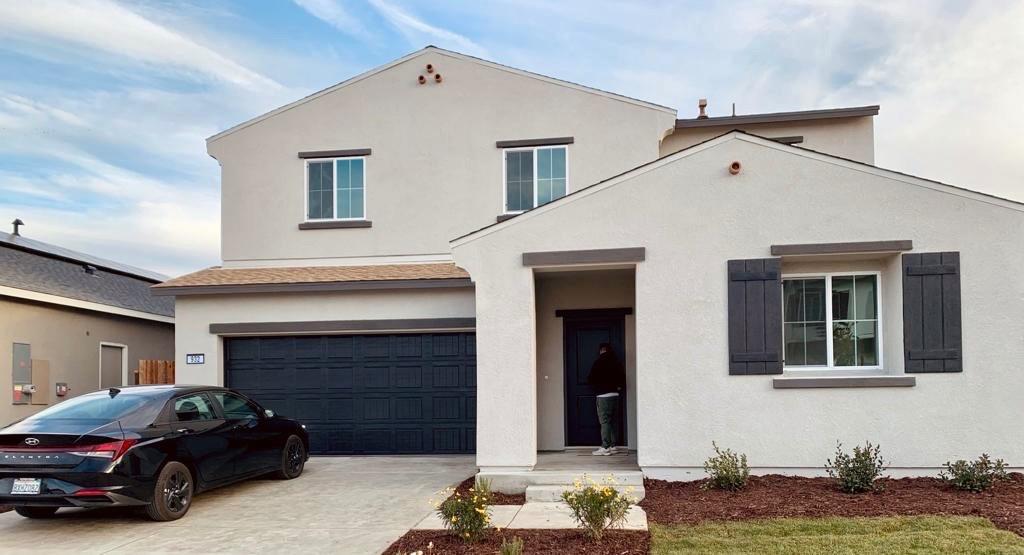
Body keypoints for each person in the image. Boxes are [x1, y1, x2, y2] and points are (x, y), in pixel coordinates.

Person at [586, 342, 626, 456]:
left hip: (603, 395)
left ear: (601, 350)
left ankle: (605, 447)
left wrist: (597, 387)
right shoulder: (617, 362)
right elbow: (622, 378)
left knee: (604, 421)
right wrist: (618, 387)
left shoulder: (598, 363)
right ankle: (613, 446)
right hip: (615, 395)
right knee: (613, 421)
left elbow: (590, 379)